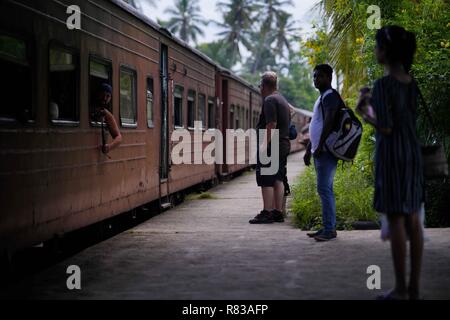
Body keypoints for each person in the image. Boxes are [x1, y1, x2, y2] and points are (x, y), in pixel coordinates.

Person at [356, 26, 424, 300]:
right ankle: (414, 289)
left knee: (396, 219)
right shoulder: (411, 82)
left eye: (377, 46)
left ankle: (399, 289)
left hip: (393, 154)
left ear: (385, 51)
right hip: (413, 154)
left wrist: (363, 110)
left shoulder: (384, 85)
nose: (374, 50)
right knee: (414, 220)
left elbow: (385, 126)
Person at [304, 64, 341, 241]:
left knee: (324, 189)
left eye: (319, 76)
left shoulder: (331, 96)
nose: (315, 79)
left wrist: (320, 146)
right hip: (320, 150)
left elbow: (329, 121)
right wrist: (308, 148)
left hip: (326, 151)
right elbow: (317, 124)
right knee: (325, 189)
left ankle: (329, 229)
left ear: (328, 77)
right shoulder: (322, 97)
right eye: (314, 76)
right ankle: (327, 227)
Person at [249, 71, 291, 224]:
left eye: (260, 86)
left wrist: (264, 145)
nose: (260, 89)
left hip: (272, 145)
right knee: (277, 179)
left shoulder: (270, 100)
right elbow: (289, 115)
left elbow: (271, 123)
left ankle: (267, 212)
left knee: (266, 179)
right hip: (282, 144)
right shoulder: (282, 100)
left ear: (265, 86)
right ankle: (277, 212)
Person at [91, 83, 122, 154]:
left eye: (108, 96)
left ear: (110, 98)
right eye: (102, 94)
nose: (104, 98)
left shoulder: (106, 114)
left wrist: (109, 147)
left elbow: (119, 137)